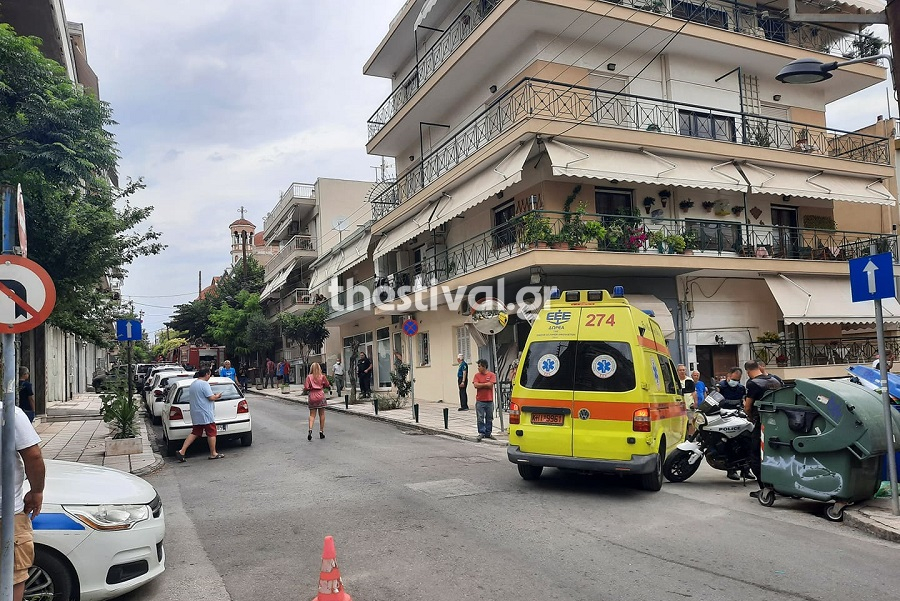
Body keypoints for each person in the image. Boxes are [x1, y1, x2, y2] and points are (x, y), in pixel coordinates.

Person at [0, 403, 45, 601]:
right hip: (7, 514)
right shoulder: (9, 412)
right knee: (13, 576)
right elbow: (33, 456)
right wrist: (37, 491)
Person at [743, 360, 784, 496]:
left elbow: (748, 407)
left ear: (748, 371)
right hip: (779, 422)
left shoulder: (752, 383)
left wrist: (750, 417)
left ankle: (764, 488)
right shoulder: (776, 380)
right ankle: (780, 485)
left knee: (755, 455)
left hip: (762, 423)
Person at [176, 368, 225, 461]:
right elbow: (210, 397)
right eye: (209, 374)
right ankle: (213, 453)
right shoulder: (204, 384)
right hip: (205, 412)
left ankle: (182, 451)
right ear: (206, 374)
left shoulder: (193, 384)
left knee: (195, 432)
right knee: (211, 432)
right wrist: (217, 396)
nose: (210, 376)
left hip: (196, 412)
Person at [472, 359, 497, 441]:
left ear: (484, 366)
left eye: (479, 366)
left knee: (489, 418)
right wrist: (485, 384)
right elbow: (475, 385)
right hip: (480, 400)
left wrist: (481, 384)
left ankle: (488, 433)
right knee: (480, 417)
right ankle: (481, 432)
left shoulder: (491, 375)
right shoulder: (476, 375)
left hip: (489, 400)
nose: (478, 368)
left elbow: (490, 385)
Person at [305, 362, 330, 440]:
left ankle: (310, 429)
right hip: (320, 395)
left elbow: (306, 387)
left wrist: (310, 388)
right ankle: (321, 431)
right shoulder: (322, 376)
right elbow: (327, 384)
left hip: (312, 395)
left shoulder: (309, 377)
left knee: (312, 415)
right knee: (322, 414)